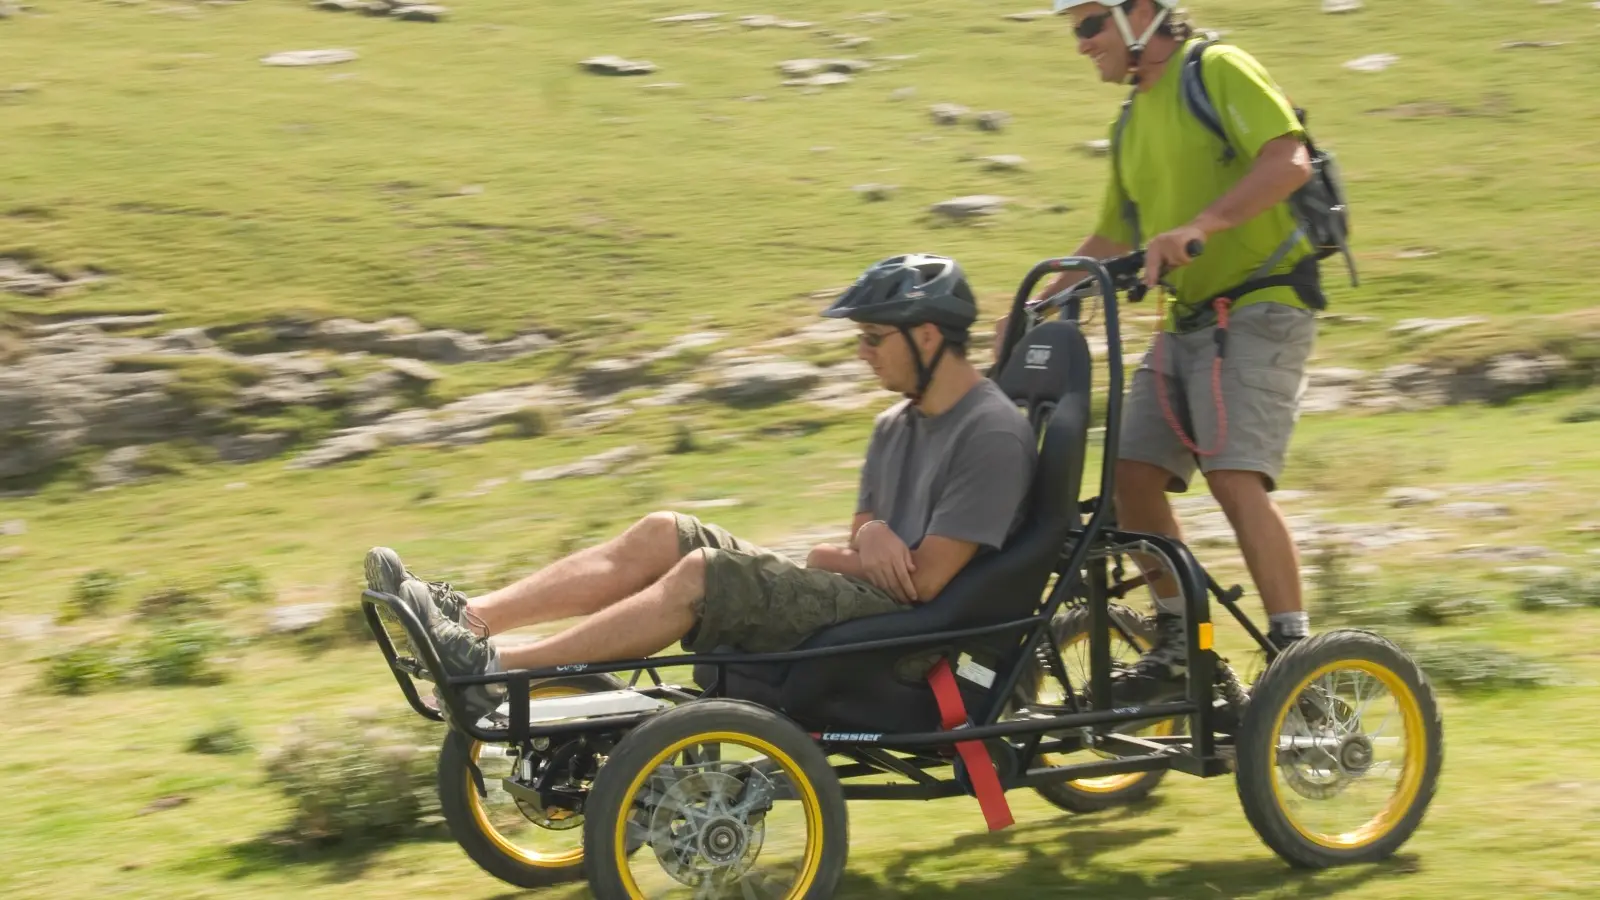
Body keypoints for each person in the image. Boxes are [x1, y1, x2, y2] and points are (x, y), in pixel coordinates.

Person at [366, 253, 1039, 722]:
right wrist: (867, 539)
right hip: (866, 600)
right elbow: (856, 542)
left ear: (926, 335)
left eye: (872, 338)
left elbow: (923, 584)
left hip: (912, 639)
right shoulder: (896, 423)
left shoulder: (991, 433)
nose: (861, 352)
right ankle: (469, 620)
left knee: (707, 573)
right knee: (667, 532)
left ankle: (501, 670)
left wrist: (853, 552)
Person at [999, 0, 1323, 703]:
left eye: (1090, 25)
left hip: (1263, 307)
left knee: (1234, 475)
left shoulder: (1217, 68)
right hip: (1185, 322)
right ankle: (1186, 649)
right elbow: (1115, 236)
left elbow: (1289, 158)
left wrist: (1203, 225)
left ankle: (1297, 654)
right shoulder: (1129, 122)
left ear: (1141, 13)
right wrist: (1032, 304)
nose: (1082, 44)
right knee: (1129, 478)